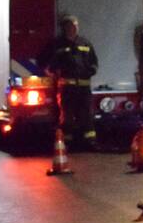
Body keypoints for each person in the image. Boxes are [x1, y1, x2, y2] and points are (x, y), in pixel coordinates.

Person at [37, 14, 98, 148]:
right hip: (66, 87)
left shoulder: (85, 43)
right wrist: (54, 72)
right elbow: (45, 62)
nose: (72, 28)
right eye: (69, 26)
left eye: (74, 26)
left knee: (87, 115)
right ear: (64, 28)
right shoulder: (57, 45)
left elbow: (94, 62)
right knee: (67, 116)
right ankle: (67, 142)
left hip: (84, 87)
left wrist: (90, 71)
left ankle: (89, 141)